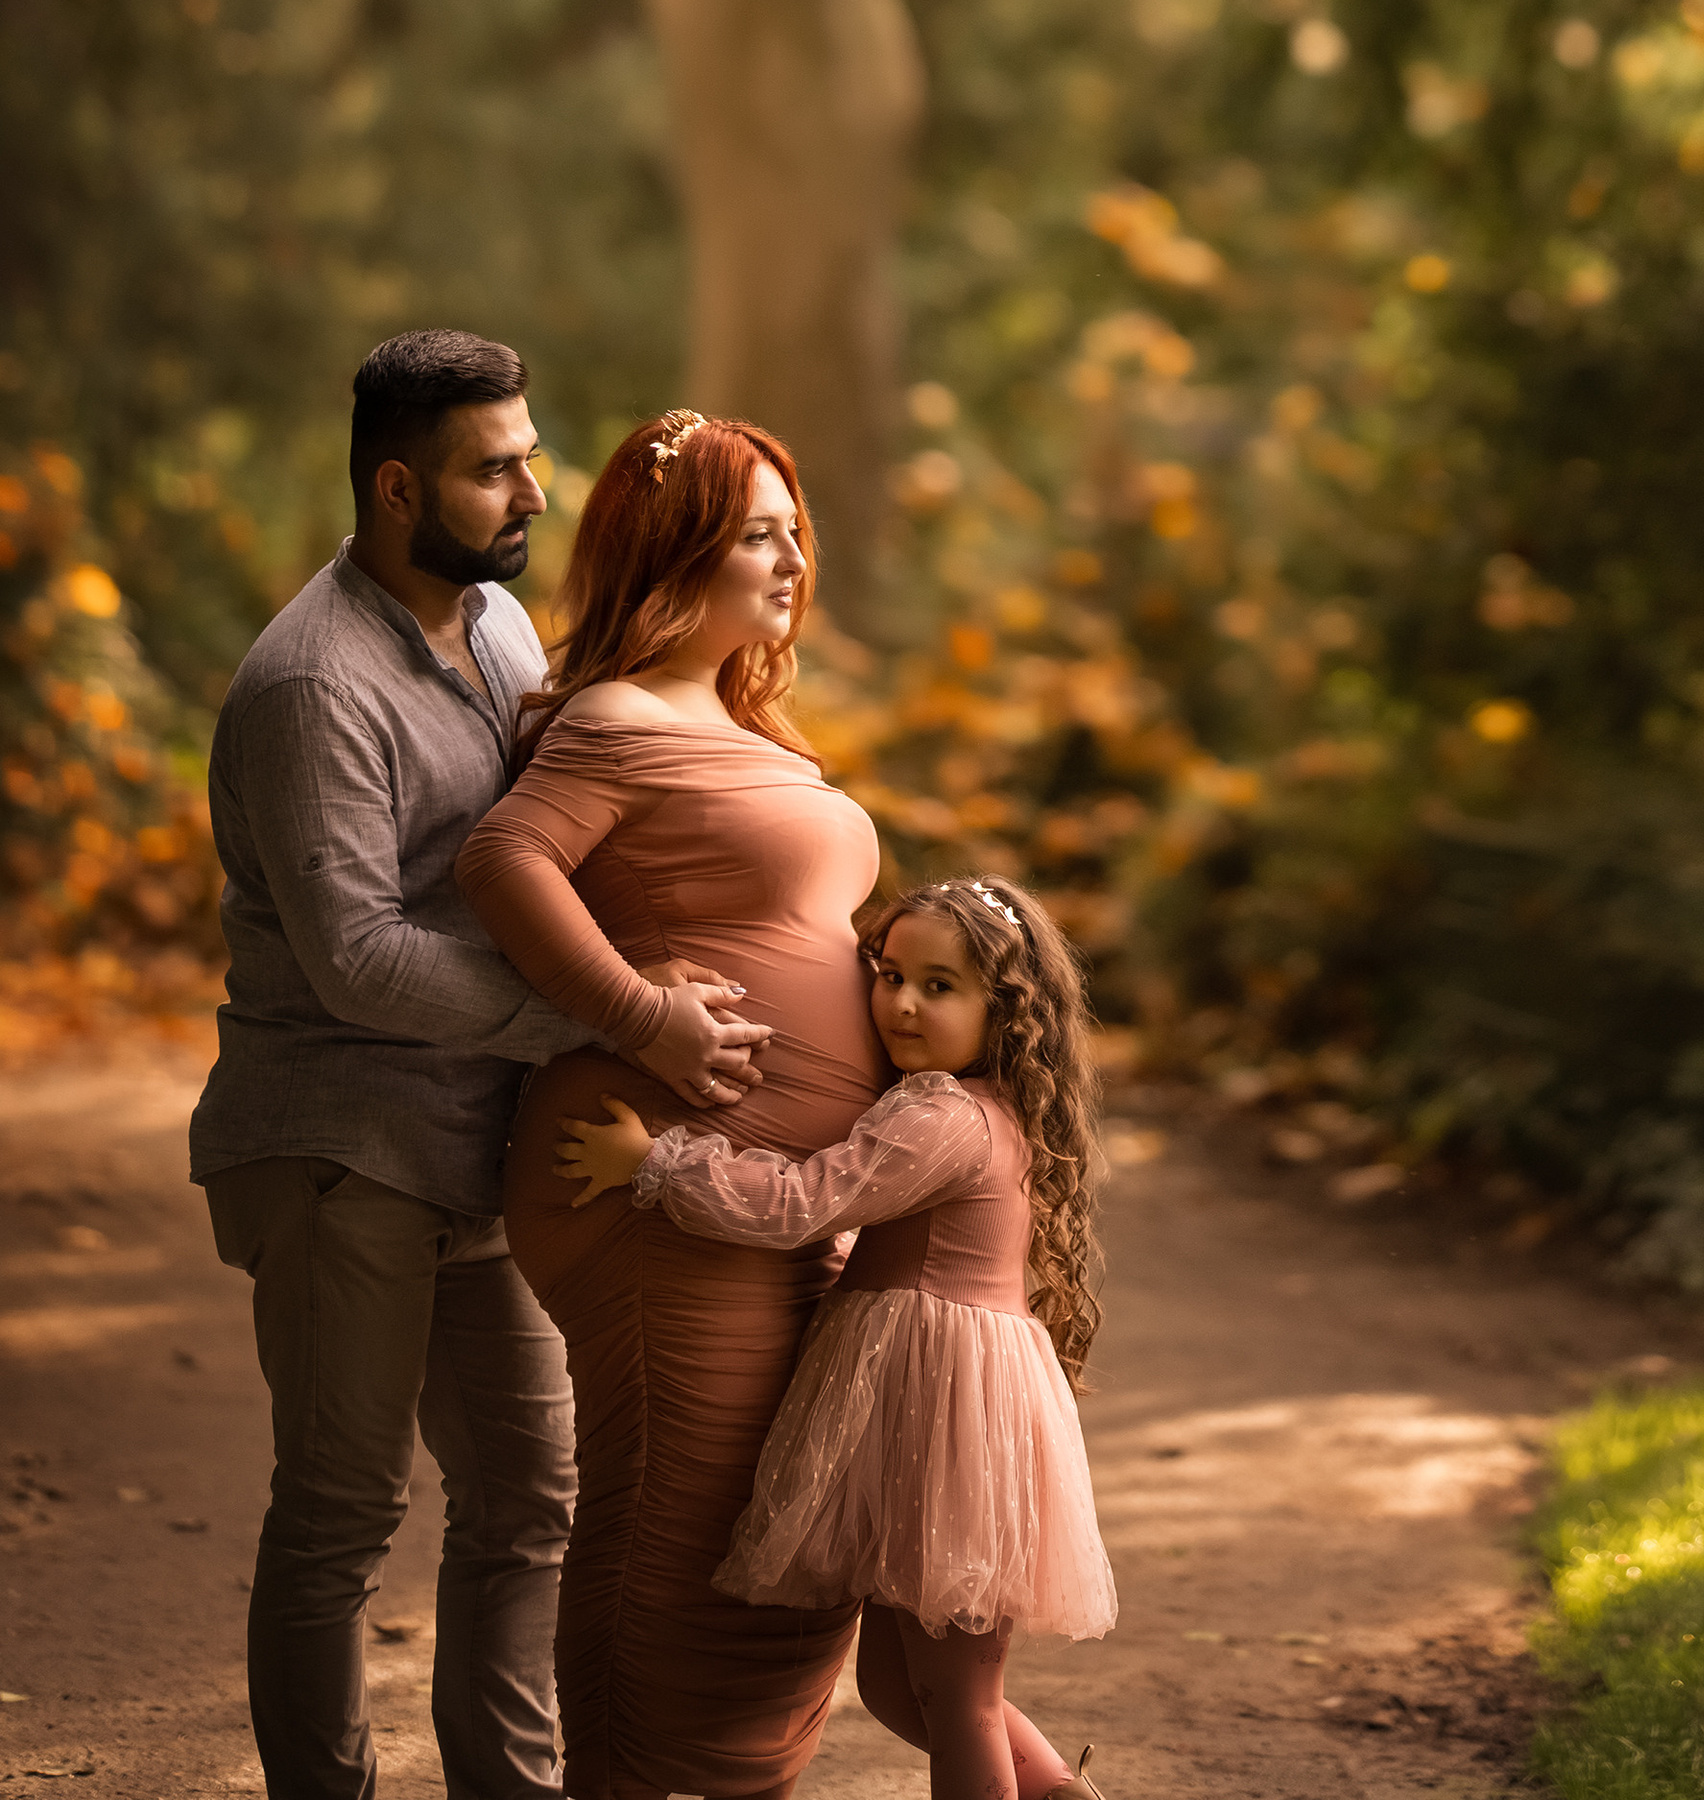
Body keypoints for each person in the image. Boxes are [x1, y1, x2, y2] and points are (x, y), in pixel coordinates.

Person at [192, 328, 767, 1800]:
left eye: (529, 453)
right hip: (339, 1147)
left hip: (481, 1137)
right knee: (340, 1513)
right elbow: (360, 960)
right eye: (492, 467)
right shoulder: (313, 686)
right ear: (396, 488)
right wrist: (617, 1015)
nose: (533, 489)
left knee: (528, 1501)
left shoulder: (498, 627)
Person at [455, 410, 886, 1800]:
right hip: (651, 1187)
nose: (790, 556)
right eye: (757, 531)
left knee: (786, 1516)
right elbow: (504, 863)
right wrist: (643, 1018)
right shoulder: (616, 716)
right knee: (669, 1511)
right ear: (674, 553)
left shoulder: (739, 718)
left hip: (780, 1197)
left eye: (792, 527)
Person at [555, 872, 1115, 1800]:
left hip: (949, 1419)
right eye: (889, 974)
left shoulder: (941, 1116)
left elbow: (799, 1205)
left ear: (1006, 1011)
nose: (901, 1002)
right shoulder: (983, 1110)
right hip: (931, 1403)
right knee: (902, 1687)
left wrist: (654, 1158)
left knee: (958, 1698)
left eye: (940, 986)